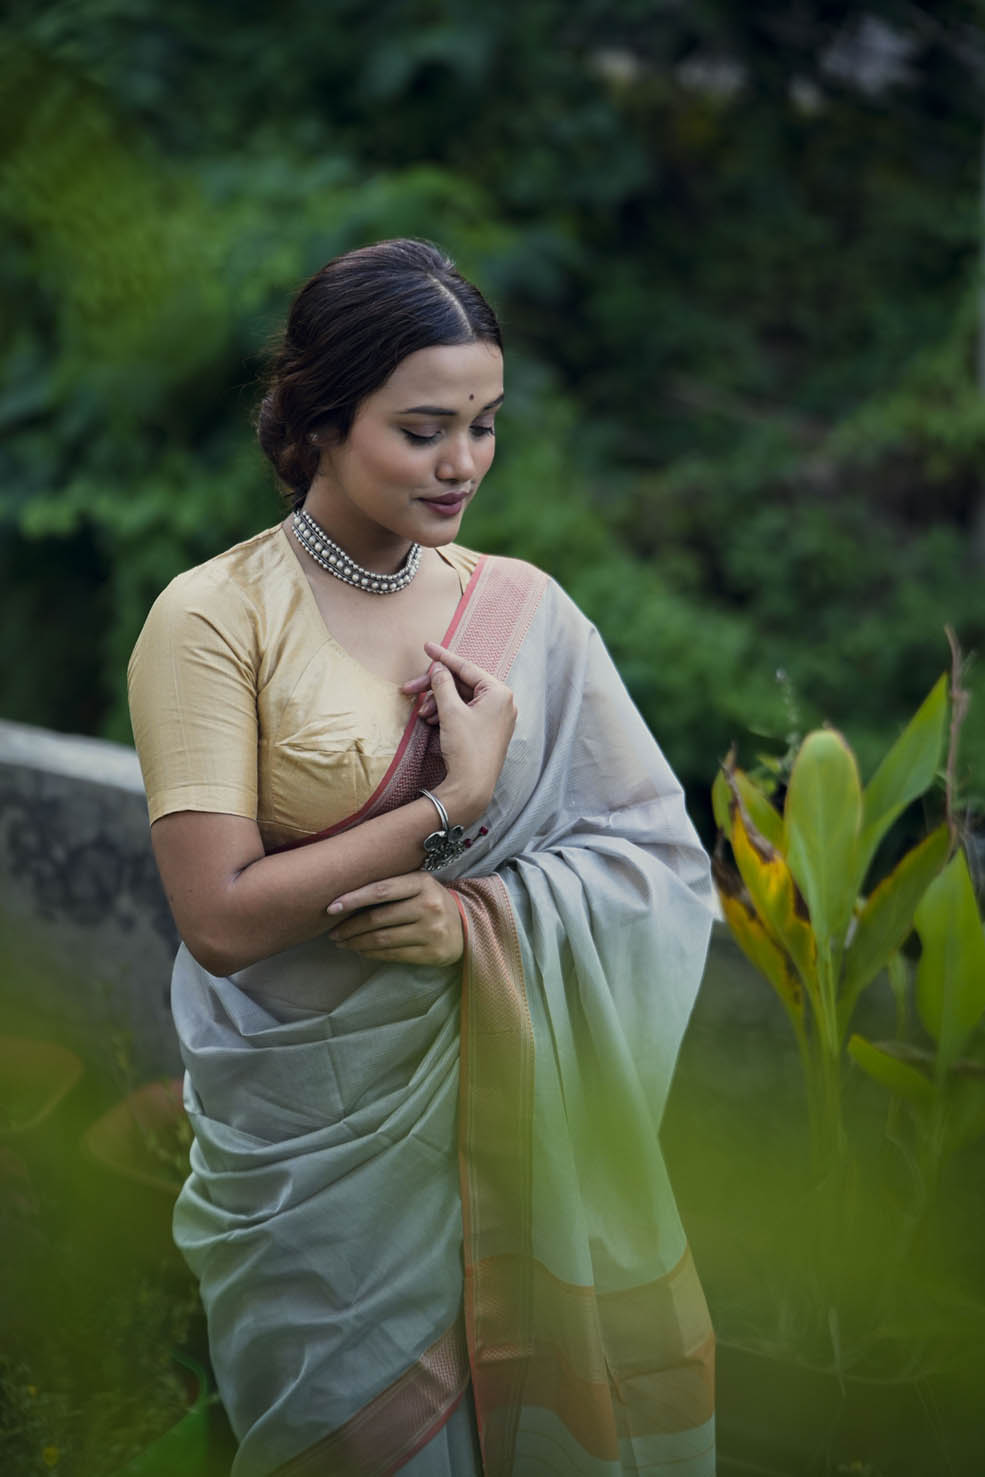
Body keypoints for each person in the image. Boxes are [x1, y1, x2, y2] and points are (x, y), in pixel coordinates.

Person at [127, 238, 719, 1477]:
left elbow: (655, 861)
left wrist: (476, 921)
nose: (463, 464)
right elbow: (221, 919)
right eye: (424, 428)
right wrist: (449, 802)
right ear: (321, 421)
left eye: (485, 425)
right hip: (313, 1170)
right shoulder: (213, 617)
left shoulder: (523, 614)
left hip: (492, 1116)